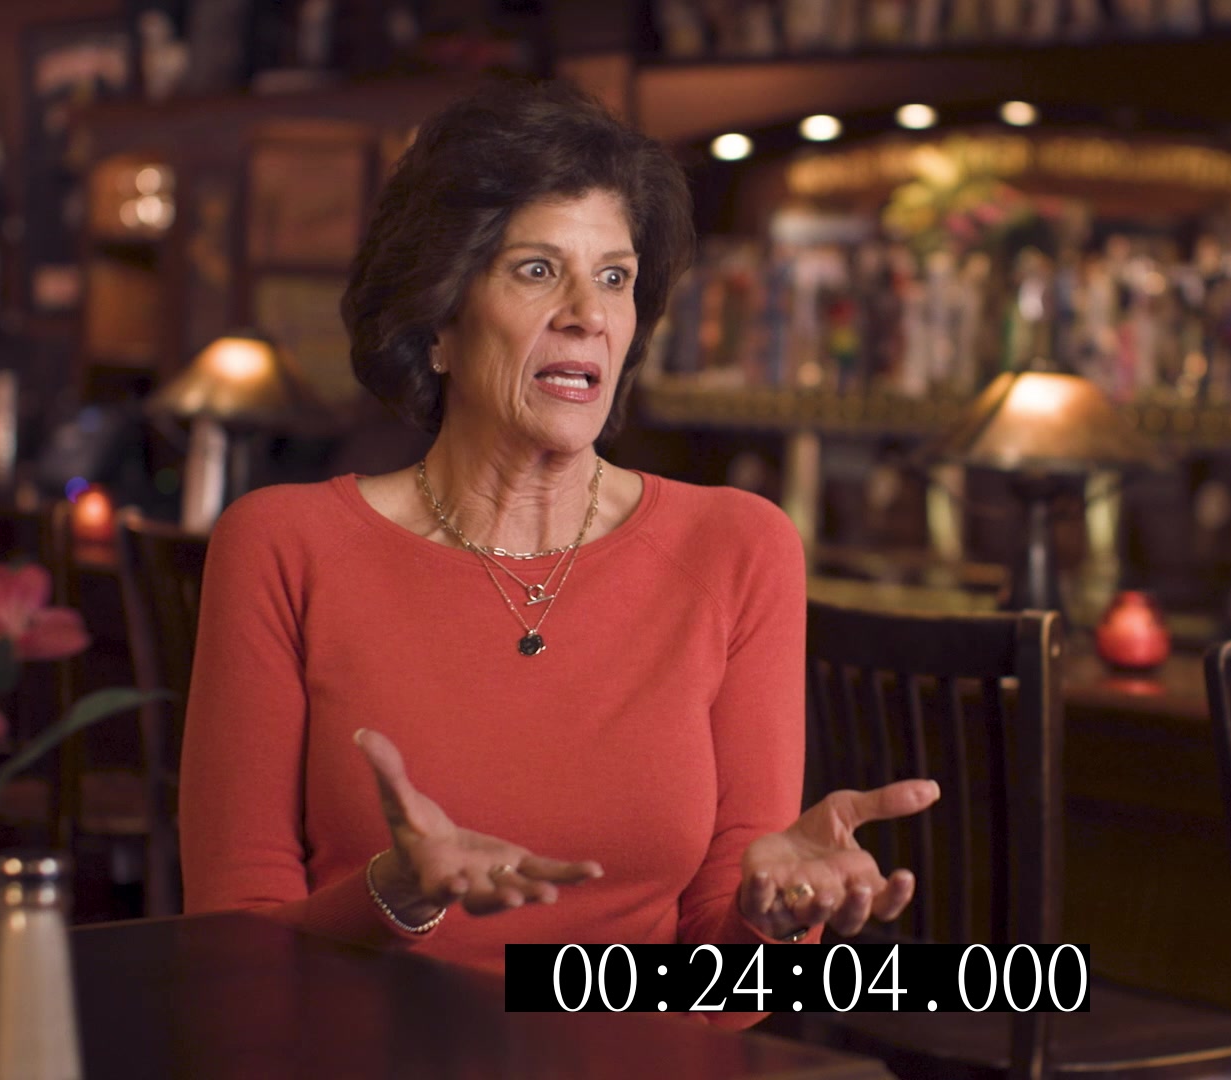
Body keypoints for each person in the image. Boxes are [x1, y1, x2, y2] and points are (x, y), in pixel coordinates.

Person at [177, 80, 937, 1028]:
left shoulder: (740, 548)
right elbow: (229, 949)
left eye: (615, 278)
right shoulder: (284, 546)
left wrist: (773, 919)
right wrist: (394, 895)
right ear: (439, 321)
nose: (589, 313)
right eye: (537, 270)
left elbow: (730, 996)